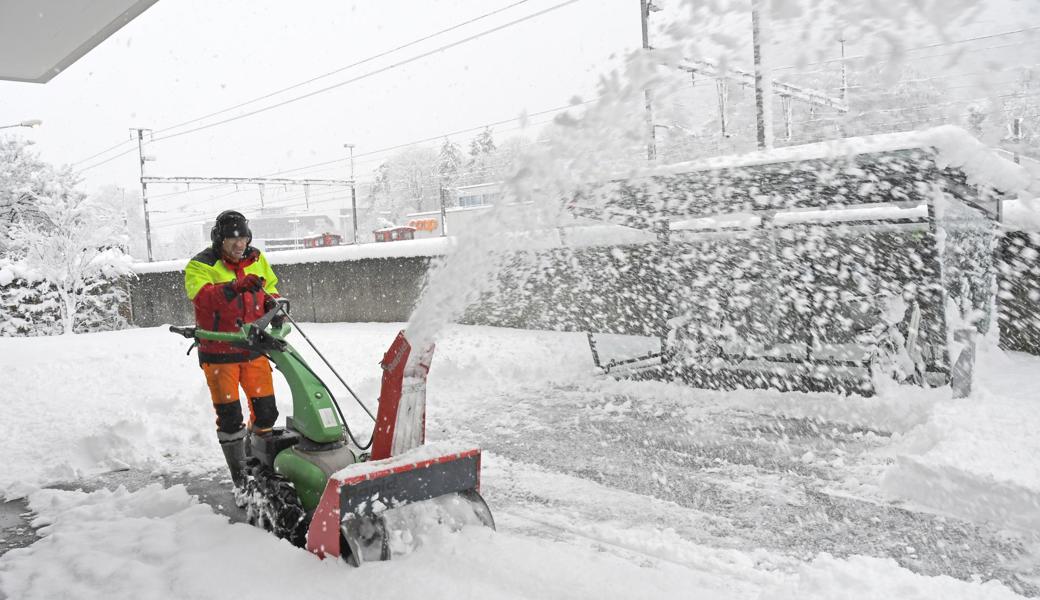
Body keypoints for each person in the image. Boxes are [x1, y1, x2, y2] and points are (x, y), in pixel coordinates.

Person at [184, 210, 281, 487]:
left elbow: (270, 286)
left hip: (253, 349)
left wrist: (273, 305)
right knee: (230, 418)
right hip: (219, 354)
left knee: (266, 412)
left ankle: (254, 461)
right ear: (219, 239)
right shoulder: (201, 265)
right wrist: (235, 286)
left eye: (244, 238)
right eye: (233, 239)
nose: (240, 244)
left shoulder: (257, 259)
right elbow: (203, 298)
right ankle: (241, 480)